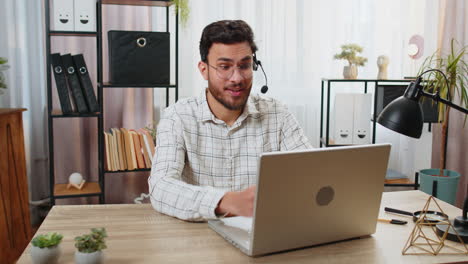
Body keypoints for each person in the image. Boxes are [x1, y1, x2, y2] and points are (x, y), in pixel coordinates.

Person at [148, 20, 312, 221]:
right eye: (224, 67)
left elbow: (310, 173)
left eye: (245, 65)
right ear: (203, 69)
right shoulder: (177, 117)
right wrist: (225, 202)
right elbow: (160, 186)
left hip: (264, 232)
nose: (237, 78)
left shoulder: (277, 113)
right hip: (199, 238)